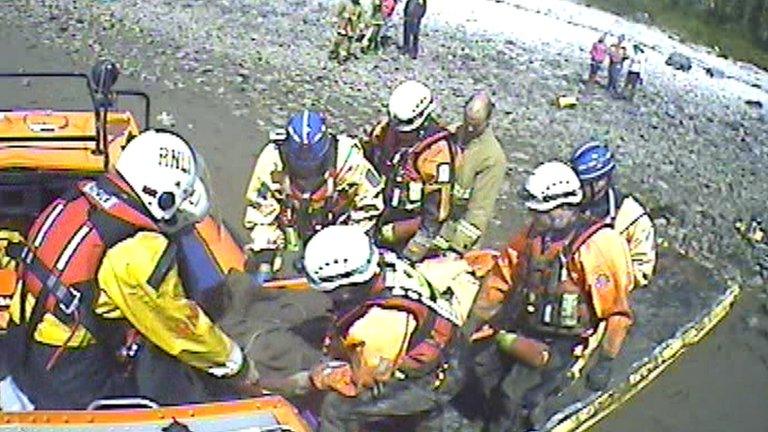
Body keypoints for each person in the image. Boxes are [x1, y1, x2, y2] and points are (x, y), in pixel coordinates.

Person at [3, 130, 260, 410]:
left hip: (22, 343)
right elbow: (179, 327)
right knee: (170, 388)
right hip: (67, 375)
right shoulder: (139, 251)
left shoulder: (76, 201)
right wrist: (236, 364)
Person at [477, 161, 634, 431]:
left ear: (563, 208)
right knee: (480, 367)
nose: (533, 217)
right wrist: (480, 319)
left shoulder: (598, 245)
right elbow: (503, 275)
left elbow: (616, 312)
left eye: (540, 212)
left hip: (568, 343)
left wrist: (605, 361)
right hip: (528, 325)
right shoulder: (532, 236)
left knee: (516, 396)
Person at [302, 225, 469, 432]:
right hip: (443, 346)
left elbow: (365, 382)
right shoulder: (387, 265)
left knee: (337, 409)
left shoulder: (380, 325)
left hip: (434, 379)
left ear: (345, 289)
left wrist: (322, 376)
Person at [243, 110, 384, 280]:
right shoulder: (272, 161)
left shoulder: (348, 159)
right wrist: (265, 256)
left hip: (337, 221)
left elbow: (369, 203)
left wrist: (350, 245)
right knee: (262, 264)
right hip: (294, 220)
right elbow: (260, 212)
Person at [367, 80, 462, 263]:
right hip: (380, 211)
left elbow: (435, 214)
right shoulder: (386, 131)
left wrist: (415, 250)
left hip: (409, 226)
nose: (401, 133)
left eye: (406, 128)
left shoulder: (436, 153)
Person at [570, 140, 656, 289]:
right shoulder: (568, 205)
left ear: (601, 182)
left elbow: (643, 270)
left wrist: (606, 278)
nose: (576, 189)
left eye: (582, 184)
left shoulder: (633, 218)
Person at [435, 91, 507, 255]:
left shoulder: (492, 158)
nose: (469, 129)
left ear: (488, 121)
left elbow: (479, 212)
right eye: (467, 122)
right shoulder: (449, 135)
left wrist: (456, 250)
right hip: (433, 223)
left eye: (475, 125)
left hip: (455, 235)